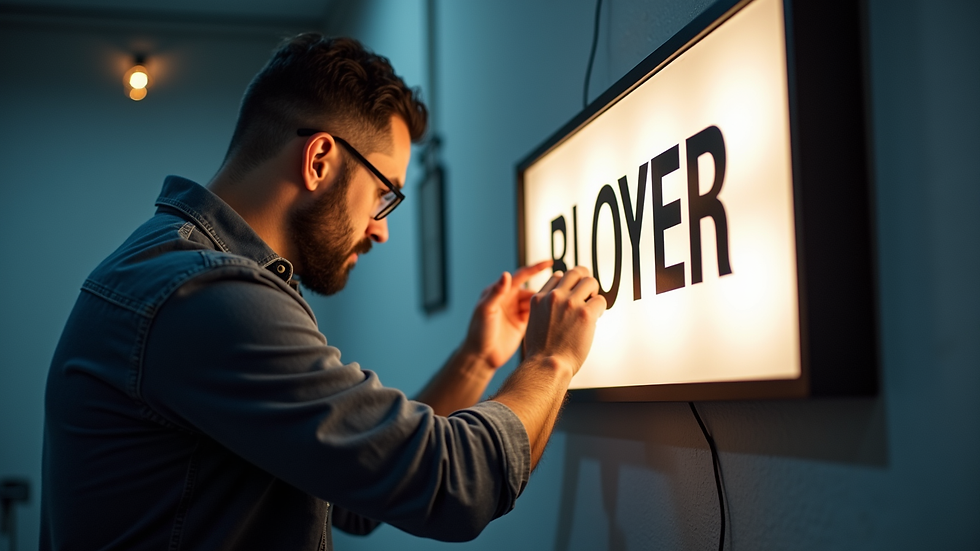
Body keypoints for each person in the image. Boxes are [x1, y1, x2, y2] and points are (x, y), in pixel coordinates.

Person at [41, 33, 605, 550]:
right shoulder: (207, 297)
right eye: (385, 194)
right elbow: (458, 487)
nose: (382, 228)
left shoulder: (181, 276)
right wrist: (550, 360)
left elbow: (355, 493)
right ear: (319, 160)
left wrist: (480, 357)